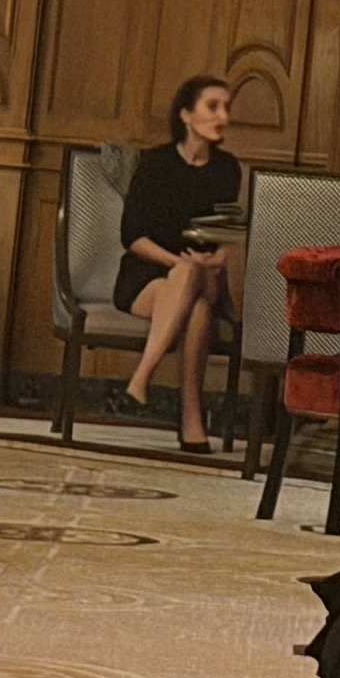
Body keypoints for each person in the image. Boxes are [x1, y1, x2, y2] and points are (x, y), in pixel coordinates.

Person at [119, 74, 244, 451]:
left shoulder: (227, 169)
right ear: (187, 115)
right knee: (198, 311)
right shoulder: (154, 163)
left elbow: (227, 238)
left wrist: (214, 259)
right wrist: (178, 263)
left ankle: (143, 377)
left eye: (226, 107)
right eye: (212, 106)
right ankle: (191, 415)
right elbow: (133, 236)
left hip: (206, 273)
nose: (222, 115)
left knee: (197, 281)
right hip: (149, 275)